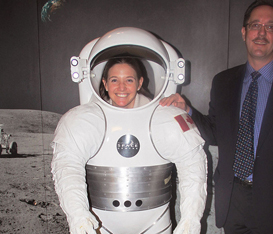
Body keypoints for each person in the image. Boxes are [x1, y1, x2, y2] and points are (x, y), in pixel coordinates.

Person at [160, 1, 273, 233]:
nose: (262, 32)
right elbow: (215, 133)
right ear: (244, 32)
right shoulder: (223, 82)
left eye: (271, 27)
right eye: (255, 25)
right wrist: (188, 110)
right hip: (232, 199)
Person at [51, 56, 207, 234]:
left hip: (155, 223)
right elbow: (68, 168)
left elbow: (193, 168)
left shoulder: (165, 118)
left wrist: (190, 220)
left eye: (129, 80)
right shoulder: (84, 120)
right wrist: (77, 216)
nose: (122, 87)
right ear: (105, 83)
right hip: (100, 224)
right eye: (114, 80)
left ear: (140, 83)